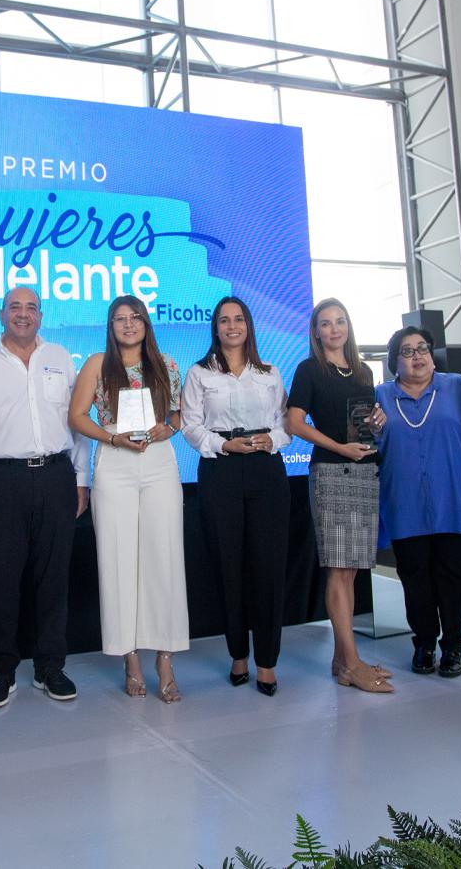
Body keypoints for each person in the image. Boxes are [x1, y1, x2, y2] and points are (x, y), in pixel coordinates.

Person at [0, 286, 91, 708]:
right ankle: (2, 670)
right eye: (15, 307)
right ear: (1, 315)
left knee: (53, 578)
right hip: (1, 479)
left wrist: (81, 478)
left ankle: (50, 667)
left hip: (55, 476)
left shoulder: (61, 358)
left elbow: (78, 420)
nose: (23, 315)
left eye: (31, 308)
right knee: (2, 578)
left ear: (41, 316)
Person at [69, 295, 188, 703]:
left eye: (134, 317)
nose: (128, 324)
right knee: (119, 559)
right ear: (110, 325)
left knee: (163, 556)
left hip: (157, 461)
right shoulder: (97, 364)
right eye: (119, 319)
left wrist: (165, 430)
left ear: (145, 322)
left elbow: (180, 414)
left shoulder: (167, 364)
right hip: (116, 460)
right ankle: (130, 657)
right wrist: (113, 437)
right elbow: (77, 416)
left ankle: (165, 657)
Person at [182, 296, 291, 696]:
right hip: (221, 469)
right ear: (215, 328)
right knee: (229, 567)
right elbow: (191, 426)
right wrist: (224, 446)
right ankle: (238, 656)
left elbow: (286, 424)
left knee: (268, 568)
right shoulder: (199, 373)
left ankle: (266, 662)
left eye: (239, 319)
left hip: (266, 470)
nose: (232, 326)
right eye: (224, 320)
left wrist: (271, 440)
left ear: (248, 325)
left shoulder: (270, 372)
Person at [287, 297, 393, 693]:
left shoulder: (364, 372)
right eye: (326, 323)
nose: (334, 329)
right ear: (315, 331)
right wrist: (338, 447)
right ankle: (351, 664)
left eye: (340, 322)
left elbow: (367, 428)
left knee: (351, 570)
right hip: (331, 471)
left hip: (365, 471)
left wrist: (378, 424)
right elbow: (294, 423)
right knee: (338, 569)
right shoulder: (309, 369)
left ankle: (342, 657)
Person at [374, 325, 461, 679]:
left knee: (454, 575)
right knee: (416, 577)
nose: (417, 356)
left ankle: (453, 645)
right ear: (394, 362)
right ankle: (423, 642)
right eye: (407, 351)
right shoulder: (379, 397)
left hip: (454, 497)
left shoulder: (458, 387)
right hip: (404, 500)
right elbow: (364, 446)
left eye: (422, 348)